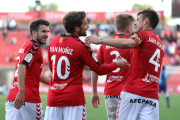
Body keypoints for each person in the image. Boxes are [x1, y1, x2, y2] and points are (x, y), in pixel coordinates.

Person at [44, 11, 130, 120]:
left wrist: (77, 65)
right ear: (77, 28)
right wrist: (117, 64)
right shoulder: (81, 46)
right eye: (85, 24)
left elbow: (53, 69)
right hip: (73, 100)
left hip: (53, 99)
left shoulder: (53, 42)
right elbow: (99, 69)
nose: (87, 26)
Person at [86, 8, 164, 120]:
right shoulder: (160, 44)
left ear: (146, 21)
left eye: (138, 20)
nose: (136, 24)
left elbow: (130, 43)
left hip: (132, 91)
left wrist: (100, 40)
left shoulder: (141, 34)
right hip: (152, 97)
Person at [91, 14, 135, 120]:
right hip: (127, 91)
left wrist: (94, 91)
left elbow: (95, 68)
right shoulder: (132, 44)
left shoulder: (105, 44)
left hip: (110, 92)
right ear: (128, 29)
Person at [6, 19, 50, 120]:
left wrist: (53, 83)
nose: (47, 34)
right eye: (43, 31)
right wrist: (22, 91)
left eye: (47, 31)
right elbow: (22, 66)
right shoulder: (34, 47)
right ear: (34, 33)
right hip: (28, 98)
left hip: (13, 97)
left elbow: (35, 74)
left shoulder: (25, 45)